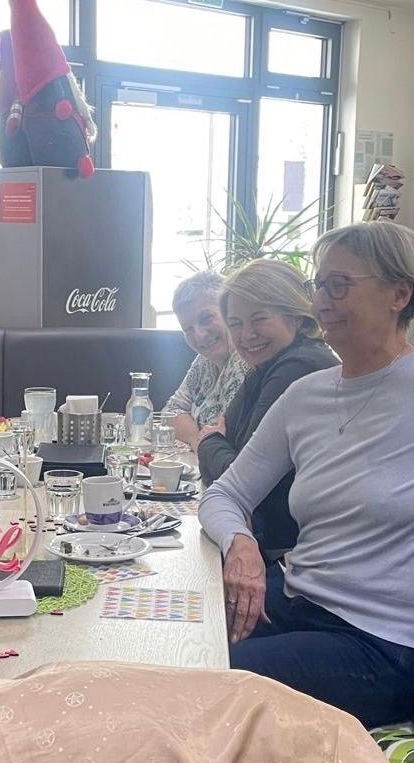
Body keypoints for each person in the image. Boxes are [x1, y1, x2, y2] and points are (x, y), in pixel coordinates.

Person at [199, 221, 414, 728]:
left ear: (399, 294)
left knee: (199, 676)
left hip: (379, 641)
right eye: (318, 285)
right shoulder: (308, 394)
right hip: (294, 597)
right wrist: (241, 544)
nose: (321, 301)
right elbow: (224, 493)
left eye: (339, 285)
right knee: (164, 635)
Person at [196, 259, 337, 562]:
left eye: (258, 319)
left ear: (297, 316)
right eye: (235, 324)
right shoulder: (266, 365)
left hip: (287, 555)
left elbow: (237, 477)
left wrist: (207, 441)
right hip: (268, 540)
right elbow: (233, 472)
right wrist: (217, 444)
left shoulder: (299, 366)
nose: (246, 335)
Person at [162, 271, 248, 450]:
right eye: (188, 329)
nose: (200, 336)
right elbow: (170, 412)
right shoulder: (204, 360)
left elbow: (229, 435)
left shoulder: (246, 359)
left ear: (230, 311)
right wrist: (198, 441)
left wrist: (201, 443)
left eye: (206, 318)